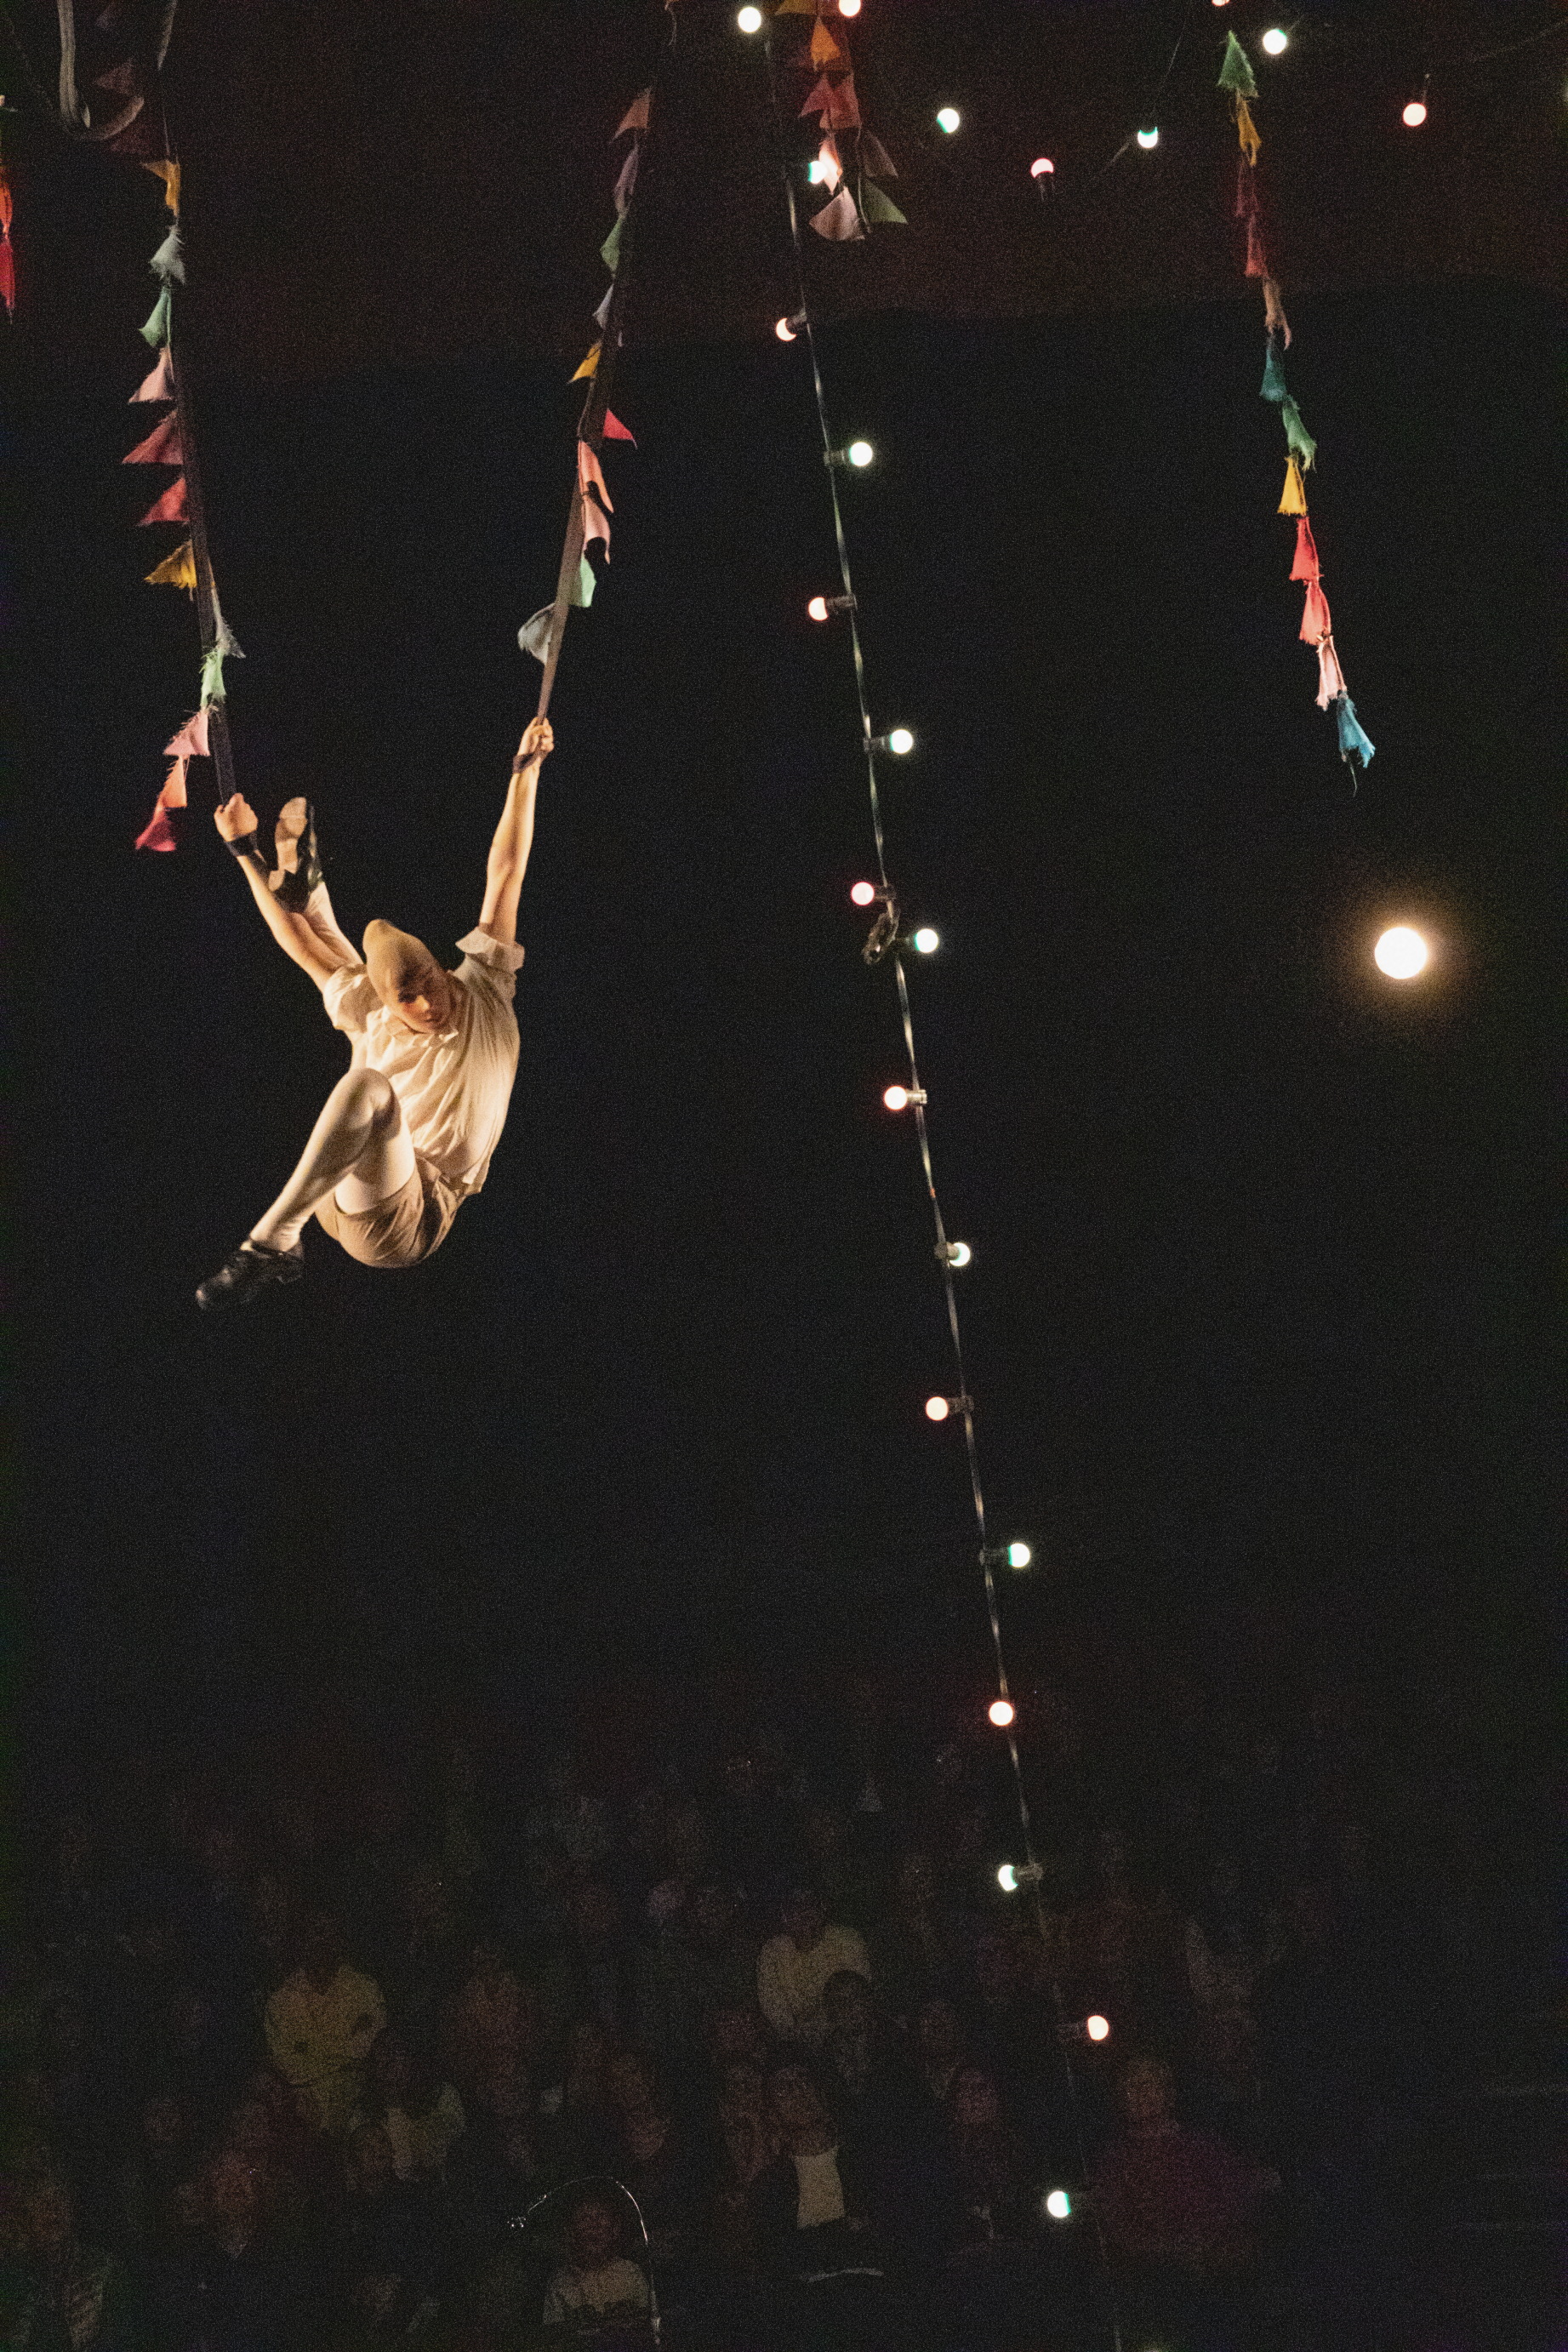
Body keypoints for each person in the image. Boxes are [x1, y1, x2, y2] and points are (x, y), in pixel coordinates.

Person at [196, 716, 553, 1308]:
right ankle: (272, 1243)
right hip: (351, 1182)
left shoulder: (486, 980)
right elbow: (300, 950)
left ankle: (309, 891)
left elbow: (506, 870)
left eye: (426, 986)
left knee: (352, 1025)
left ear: (443, 967)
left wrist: (526, 772)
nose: (422, 1006)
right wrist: (241, 851)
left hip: (405, 1217)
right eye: (404, 1000)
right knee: (354, 1037)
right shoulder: (378, 1010)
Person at [263, 1910, 386, 2138]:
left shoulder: (365, 1989)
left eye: (332, 1932)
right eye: (317, 1932)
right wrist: (344, 2057)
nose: (323, 1940)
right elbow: (290, 2069)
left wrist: (313, 2053)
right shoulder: (281, 2000)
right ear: (302, 1938)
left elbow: (371, 2050)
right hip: (306, 2115)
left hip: (360, 2109)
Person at [755, 1888, 870, 2053]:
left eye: (808, 1903)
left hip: (847, 2033)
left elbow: (856, 1998)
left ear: (822, 1907)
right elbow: (776, 2013)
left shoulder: (847, 1941)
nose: (802, 1912)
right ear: (783, 1914)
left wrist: (823, 2031)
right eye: (794, 1906)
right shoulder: (773, 1951)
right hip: (798, 2044)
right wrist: (798, 2038)